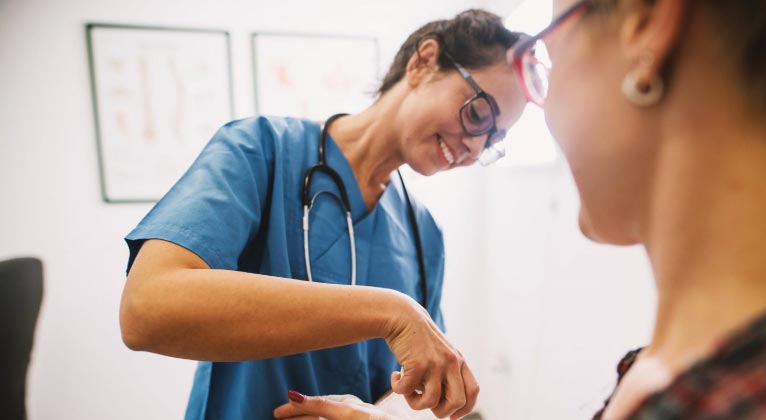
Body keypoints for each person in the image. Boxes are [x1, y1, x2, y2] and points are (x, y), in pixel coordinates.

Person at [274, 0, 766, 419]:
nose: (548, 107)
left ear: (646, 25)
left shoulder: (758, 394)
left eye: (553, 52)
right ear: (423, 62)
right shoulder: (686, 373)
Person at [119, 9, 527, 420]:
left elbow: (407, 395)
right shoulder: (262, 151)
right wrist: (390, 312)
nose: (475, 149)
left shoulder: (423, 235)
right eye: (478, 114)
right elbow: (145, 310)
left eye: (493, 140)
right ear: (423, 62)